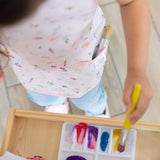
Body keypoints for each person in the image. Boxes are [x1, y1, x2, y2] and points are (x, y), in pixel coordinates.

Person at [0, 0, 153, 125]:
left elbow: (131, 2)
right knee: (43, 97)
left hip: (82, 64)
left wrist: (137, 69)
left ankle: (97, 111)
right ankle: (56, 102)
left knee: (89, 99)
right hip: (31, 74)